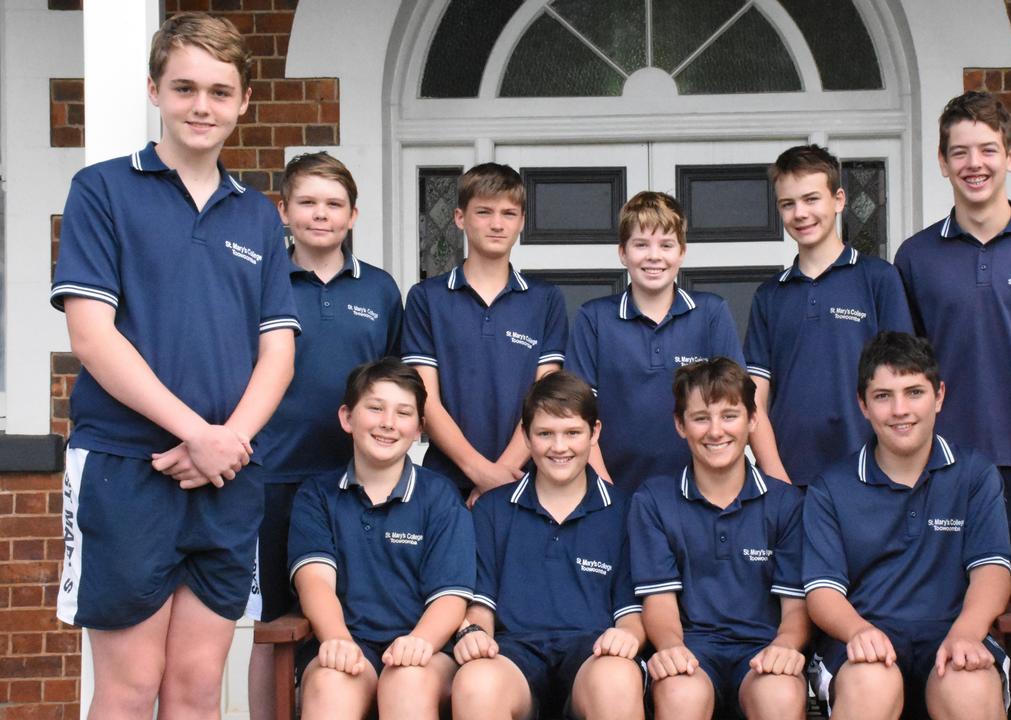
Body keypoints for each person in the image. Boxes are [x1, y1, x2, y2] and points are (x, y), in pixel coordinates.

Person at [50, 13, 298, 718]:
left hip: (226, 476)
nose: (202, 106)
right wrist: (198, 433)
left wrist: (227, 445)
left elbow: (277, 353)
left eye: (220, 92)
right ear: (154, 89)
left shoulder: (256, 216)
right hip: (130, 470)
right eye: (185, 87)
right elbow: (93, 339)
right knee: (129, 690)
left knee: (195, 693)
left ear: (244, 102)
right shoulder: (102, 191)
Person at [893, 91, 1011, 718]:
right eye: (960, 152)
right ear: (941, 162)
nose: (975, 164)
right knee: (956, 628)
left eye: (988, 150)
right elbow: (907, 370)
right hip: (944, 472)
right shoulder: (915, 257)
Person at [246, 152, 404, 719]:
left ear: (354, 214)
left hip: (359, 483)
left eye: (334, 204)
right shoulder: (262, 281)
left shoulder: (382, 290)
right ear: (283, 211)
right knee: (276, 622)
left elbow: (393, 385)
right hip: (274, 476)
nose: (321, 215)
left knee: (351, 617)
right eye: (307, 203)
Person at [805, 331, 1011, 720]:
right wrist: (857, 632)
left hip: (952, 631)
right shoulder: (830, 487)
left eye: (914, 392)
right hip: (866, 638)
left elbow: (992, 571)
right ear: (863, 405)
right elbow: (822, 593)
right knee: (872, 683)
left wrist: (967, 632)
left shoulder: (975, 474)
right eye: (883, 396)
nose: (900, 409)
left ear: (939, 396)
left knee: (968, 685)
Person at [450, 371, 646, 720]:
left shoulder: (626, 510)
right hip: (513, 654)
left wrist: (628, 637)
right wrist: (474, 633)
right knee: (475, 681)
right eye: (545, 434)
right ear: (526, 436)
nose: (559, 447)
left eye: (572, 433)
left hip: (594, 652)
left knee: (616, 676)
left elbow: (633, 615)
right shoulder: (492, 509)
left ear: (594, 433)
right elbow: (480, 608)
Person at [289, 358, 474, 720]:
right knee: (330, 684)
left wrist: (420, 642)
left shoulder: (440, 496)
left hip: (424, 649)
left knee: (406, 682)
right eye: (375, 408)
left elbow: (450, 597)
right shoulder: (316, 496)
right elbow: (315, 582)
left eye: (403, 413)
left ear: (420, 428)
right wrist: (337, 639)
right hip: (347, 641)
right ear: (347, 417)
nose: (388, 423)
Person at [629, 358, 809, 720]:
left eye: (729, 415)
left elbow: (797, 608)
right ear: (680, 424)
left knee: (779, 692)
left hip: (762, 649)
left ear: (752, 420)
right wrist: (671, 647)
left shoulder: (787, 503)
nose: (715, 431)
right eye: (700, 418)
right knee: (680, 690)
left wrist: (786, 645)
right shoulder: (653, 501)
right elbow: (660, 604)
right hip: (692, 649)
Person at [745, 145, 913, 488]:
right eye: (787, 204)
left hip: (870, 477)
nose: (800, 213)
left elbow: (903, 384)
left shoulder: (878, 279)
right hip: (792, 478)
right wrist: (777, 478)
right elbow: (754, 401)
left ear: (838, 200)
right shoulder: (769, 296)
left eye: (811, 199)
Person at [402, 163, 568, 505]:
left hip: (526, 480)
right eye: (484, 212)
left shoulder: (545, 300)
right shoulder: (426, 298)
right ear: (460, 218)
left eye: (509, 213)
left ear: (522, 221)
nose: (497, 223)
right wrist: (479, 471)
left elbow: (546, 399)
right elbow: (425, 399)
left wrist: (500, 475)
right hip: (446, 483)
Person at [566, 191, 744, 490]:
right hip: (615, 491)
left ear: (682, 252)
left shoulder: (711, 313)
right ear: (622, 252)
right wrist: (607, 495)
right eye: (640, 245)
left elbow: (735, 410)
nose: (654, 256)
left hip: (699, 494)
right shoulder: (594, 319)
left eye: (666, 245)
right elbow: (576, 416)